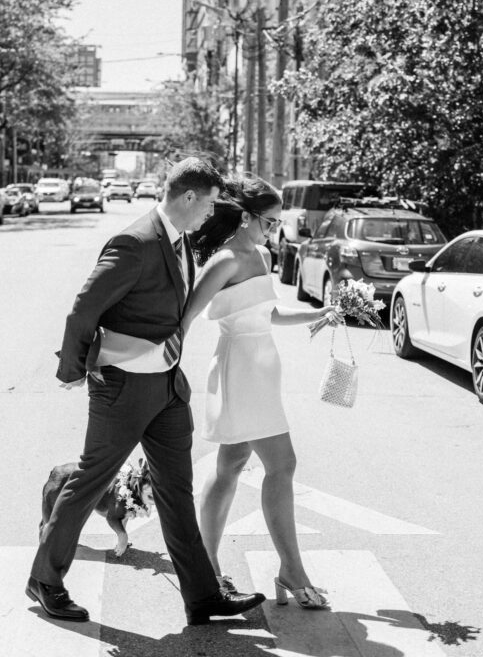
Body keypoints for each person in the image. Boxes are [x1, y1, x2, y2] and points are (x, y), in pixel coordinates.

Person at [28, 157, 266, 626]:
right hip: (123, 389)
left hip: (167, 388)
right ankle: (46, 580)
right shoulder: (134, 242)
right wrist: (73, 370)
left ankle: (201, 596)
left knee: (176, 490)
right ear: (189, 197)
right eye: (208, 204)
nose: (208, 215)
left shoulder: (179, 242)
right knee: (89, 483)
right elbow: (84, 310)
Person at [185, 175, 340, 610]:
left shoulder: (261, 253)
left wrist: (319, 313)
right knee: (282, 464)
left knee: (231, 463)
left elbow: (267, 312)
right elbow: (186, 316)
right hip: (239, 368)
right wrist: (162, 367)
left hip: (262, 365)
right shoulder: (226, 260)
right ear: (248, 216)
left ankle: (207, 566)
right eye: (270, 221)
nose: (274, 229)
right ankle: (291, 569)